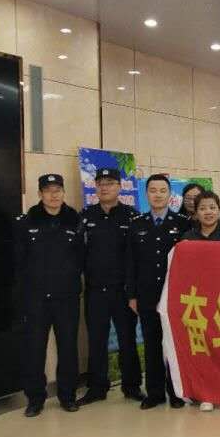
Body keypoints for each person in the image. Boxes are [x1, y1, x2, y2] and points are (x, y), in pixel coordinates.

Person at [14, 173, 84, 416]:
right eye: (48, 190)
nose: (53, 195)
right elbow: (19, 262)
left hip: (67, 298)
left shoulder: (75, 220)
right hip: (35, 299)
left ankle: (67, 395)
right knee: (34, 350)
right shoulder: (26, 221)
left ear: (63, 192)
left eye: (57, 190)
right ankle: (35, 398)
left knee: (68, 348)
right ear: (40, 194)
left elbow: (82, 257)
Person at [127, 174, 191, 410]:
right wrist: (132, 295)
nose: (158, 195)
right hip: (146, 295)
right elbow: (130, 262)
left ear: (170, 194)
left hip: (173, 294)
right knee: (152, 344)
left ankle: (176, 392)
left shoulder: (182, 223)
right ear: (146, 194)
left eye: (162, 190)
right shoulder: (136, 224)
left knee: (173, 344)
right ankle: (154, 393)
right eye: (153, 190)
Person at [79, 168, 140, 406]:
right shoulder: (85, 216)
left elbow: (136, 257)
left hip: (122, 292)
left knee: (127, 340)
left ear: (120, 187)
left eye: (110, 183)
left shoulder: (131, 216)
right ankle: (97, 387)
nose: (105, 187)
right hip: (95, 291)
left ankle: (131, 386)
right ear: (95, 187)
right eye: (101, 183)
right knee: (96, 340)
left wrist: (133, 291)